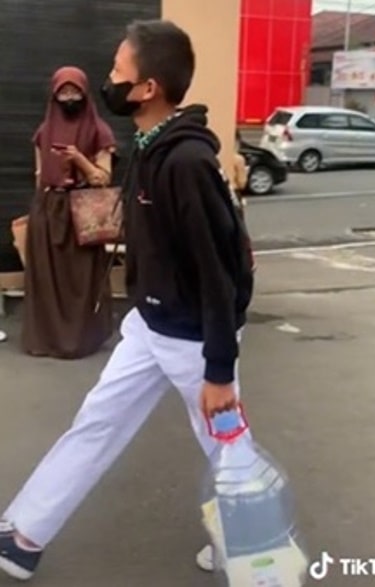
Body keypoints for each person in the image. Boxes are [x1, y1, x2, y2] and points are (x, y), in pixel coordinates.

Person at [0, 20, 254, 581]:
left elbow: (218, 274)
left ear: (148, 88)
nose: (107, 81)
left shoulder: (185, 163)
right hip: (151, 323)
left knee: (228, 447)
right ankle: (25, 535)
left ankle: (255, 549)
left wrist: (218, 369)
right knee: (96, 421)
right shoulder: (151, 146)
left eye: (118, 72)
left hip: (194, 338)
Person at [22, 66, 117, 359]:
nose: (69, 96)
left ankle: (79, 340)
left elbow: (104, 178)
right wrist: (38, 211)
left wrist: (79, 160)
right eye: (63, 91)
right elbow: (39, 173)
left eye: (75, 91)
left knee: (80, 278)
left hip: (82, 213)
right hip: (49, 211)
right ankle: (47, 340)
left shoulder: (99, 130)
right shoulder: (44, 131)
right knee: (47, 277)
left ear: (85, 93)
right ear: (54, 95)